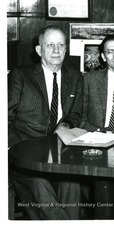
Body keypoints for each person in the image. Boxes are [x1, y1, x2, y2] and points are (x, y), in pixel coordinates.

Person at [8, 25, 83, 219]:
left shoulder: (75, 77)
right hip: (23, 154)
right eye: (50, 45)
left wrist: (65, 125)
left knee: (71, 182)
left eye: (60, 45)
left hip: (59, 153)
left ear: (66, 49)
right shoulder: (20, 75)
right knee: (40, 186)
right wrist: (12, 148)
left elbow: (75, 114)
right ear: (39, 50)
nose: (56, 50)